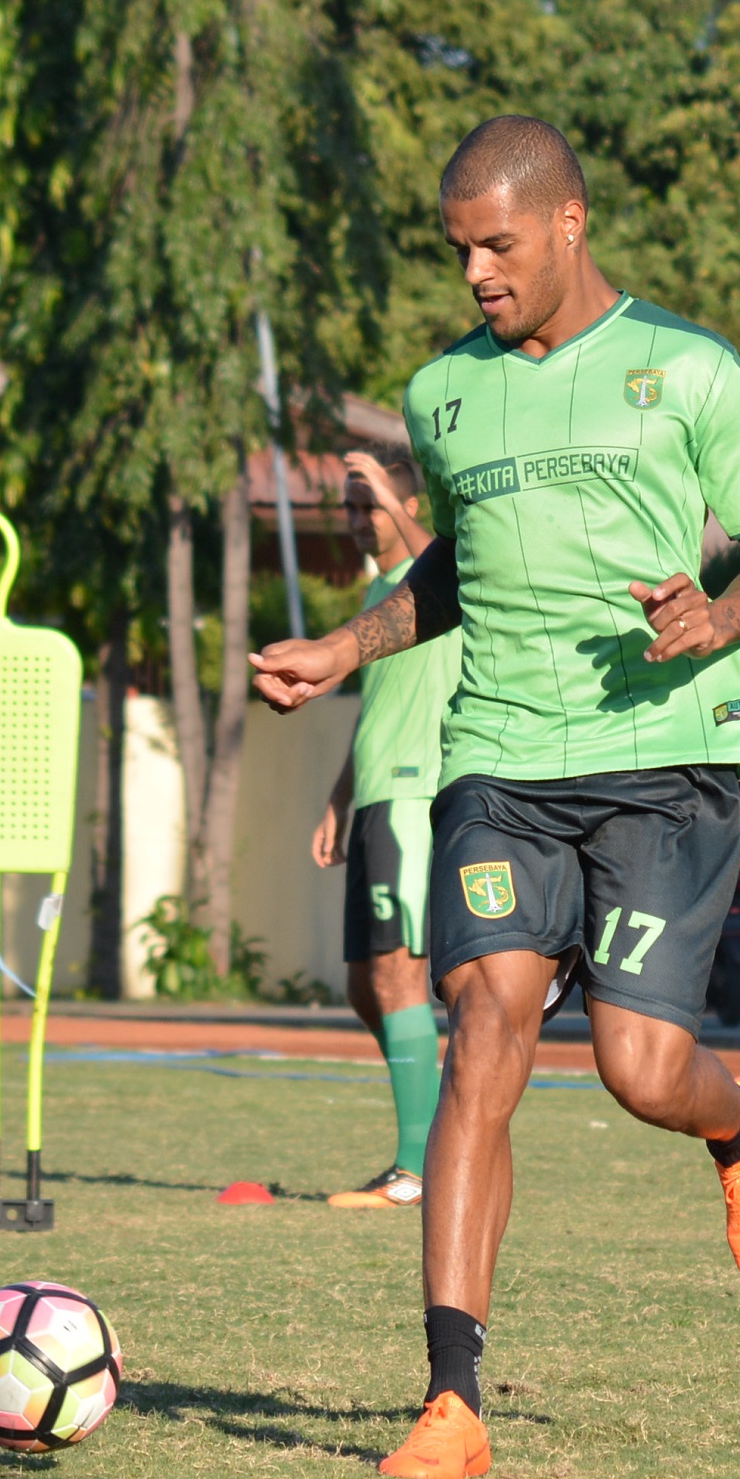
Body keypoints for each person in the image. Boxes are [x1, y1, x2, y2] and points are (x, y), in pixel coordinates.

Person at [249, 115, 740, 1479]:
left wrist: (717, 613)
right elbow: (456, 567)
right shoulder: (443, 393)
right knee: (482, 1033)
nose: (478, 275)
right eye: (460, 252)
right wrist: (348, 643)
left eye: (498, 244)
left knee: (639, 1068)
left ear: (569, 221)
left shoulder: (688, 370)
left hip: (662, 760)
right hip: (499, 759)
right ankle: (453, 1394)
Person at [310, 451, 461, 1210]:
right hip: (373, 793)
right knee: (364, 986)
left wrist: (397, 495)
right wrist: (339, 795)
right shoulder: (378, 592)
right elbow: (374, 710)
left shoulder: (436, 582)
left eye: (368, 504)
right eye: (349, 506)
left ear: (406, 507)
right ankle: (434, 1128)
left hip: (414, 793)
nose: (357, 518)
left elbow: (437, 549)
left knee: (399, 974)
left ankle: (418, 1168)